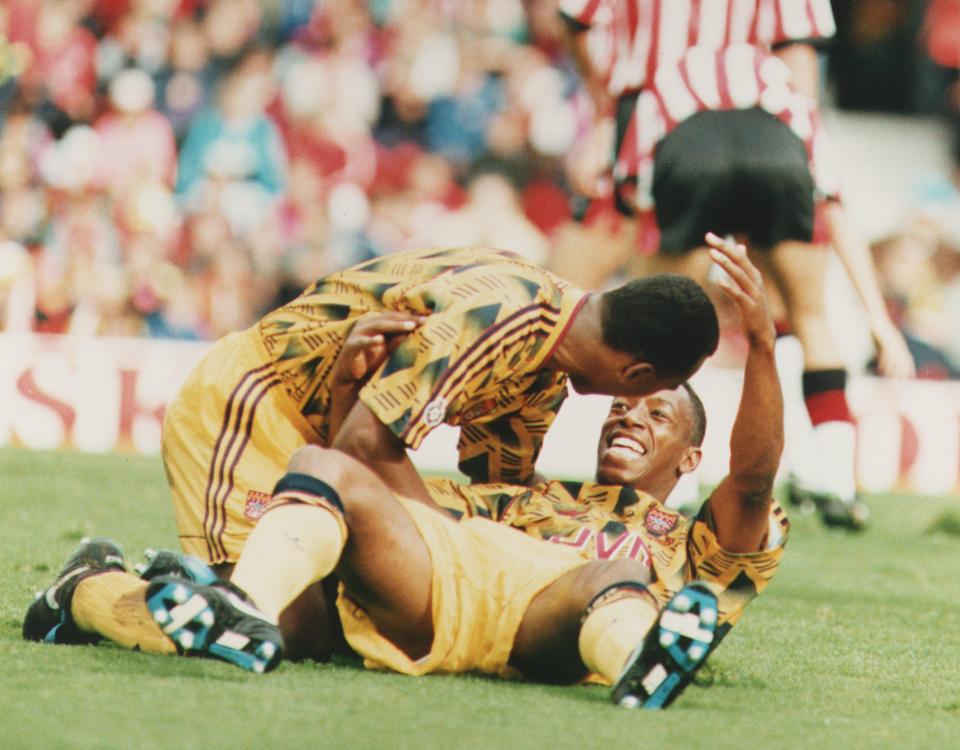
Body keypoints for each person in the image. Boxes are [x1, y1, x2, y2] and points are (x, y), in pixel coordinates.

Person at [24, 236, 784, 712]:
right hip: (266, 401)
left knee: (599, 582)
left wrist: (763, 346)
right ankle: (107, 594)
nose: (628, 415)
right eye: (634, 403)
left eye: (656, 413)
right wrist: (442, 524)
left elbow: (748, 485)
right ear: (632, 369)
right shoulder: (505, 318)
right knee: (275, 623)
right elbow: (370, 454)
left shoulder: (551, 386)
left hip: (504, 584)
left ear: (689, 458)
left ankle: (640, 652)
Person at [558, 0, 914, 530]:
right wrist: (879, 320)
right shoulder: (777, 84)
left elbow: (576, 19)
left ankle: (669, 480)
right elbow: (801, 53)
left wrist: (605, 113)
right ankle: (834, 476)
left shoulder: (671, 81)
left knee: (648, 312)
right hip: (778, 132)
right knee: (806, 314)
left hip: (661, 117)